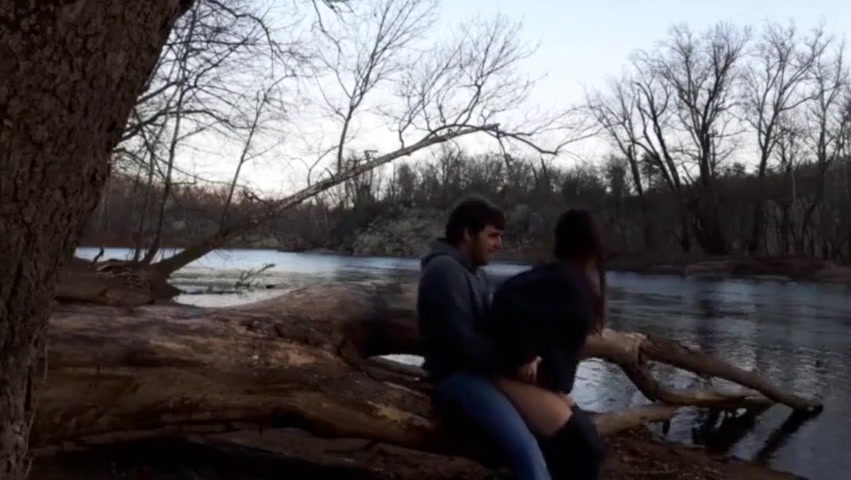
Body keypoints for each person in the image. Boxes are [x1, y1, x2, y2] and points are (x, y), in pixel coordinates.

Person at [416, 195, 553, 480]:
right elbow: (460, 345)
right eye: (492, 235)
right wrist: (513, 362)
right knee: (525, 448)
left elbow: (492, 328)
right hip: (455, 377)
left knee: (552, 424)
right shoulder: (445, 271)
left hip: (480, 373)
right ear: (467, 234)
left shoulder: (474, 273)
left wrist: (527, 352)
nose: (499, 244)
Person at [486, 208, 608, 480]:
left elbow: (536, 318)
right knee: (582, 450)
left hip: (546, 384)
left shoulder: (569, 279)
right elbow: (506, 299)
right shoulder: (560, 278)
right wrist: (524, 354)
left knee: (588, 444)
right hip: (508, 375)